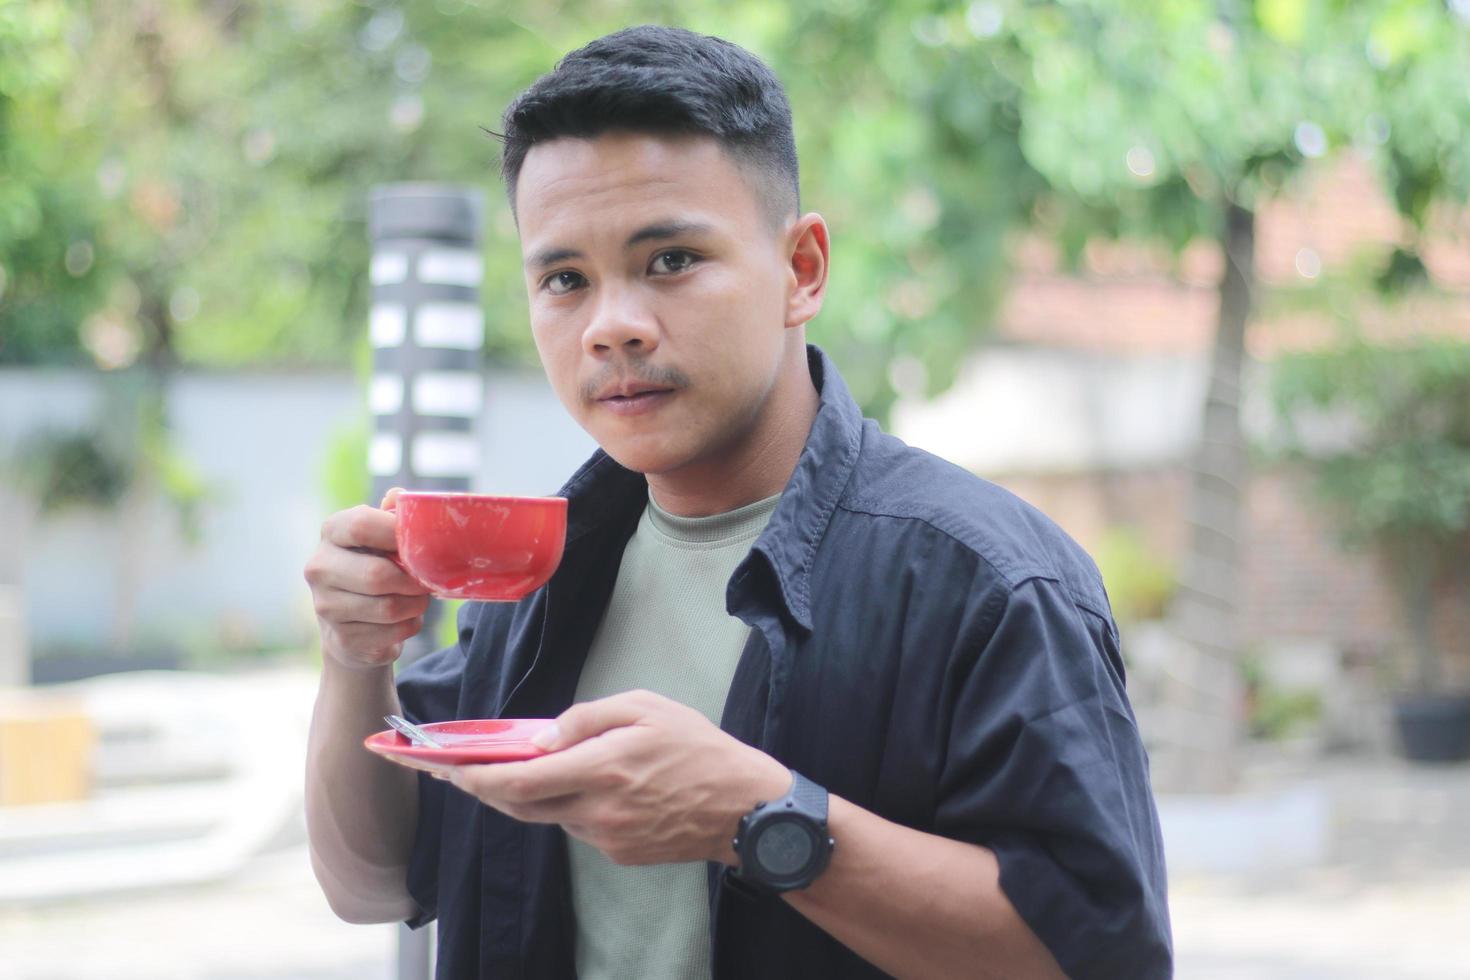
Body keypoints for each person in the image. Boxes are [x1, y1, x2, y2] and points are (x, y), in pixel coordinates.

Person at [303, 25, 1171, 980]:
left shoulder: (986, 580)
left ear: (802, 271)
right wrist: (356, 659)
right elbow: (373, 885)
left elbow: (1102, 953)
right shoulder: (544, 572)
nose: (614, 327)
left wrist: (757, 819)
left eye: (670, 259)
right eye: (564, 280)